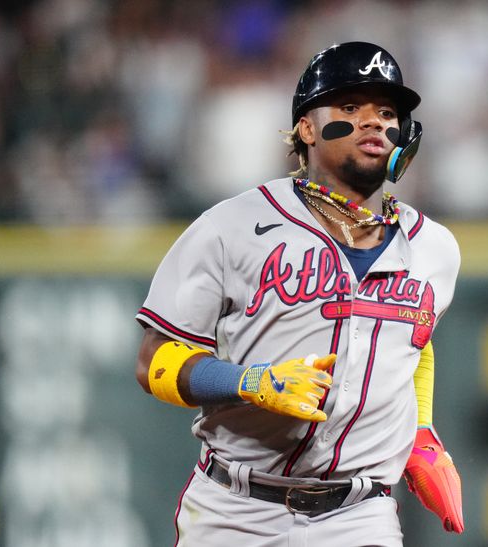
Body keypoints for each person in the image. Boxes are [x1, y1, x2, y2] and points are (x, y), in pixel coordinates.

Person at [134, 41, 463, 546]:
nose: (373, 122)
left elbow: (414, 343)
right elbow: (155, 360)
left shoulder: (435, 248)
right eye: (350, 108)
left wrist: (421, 435)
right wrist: (247, 381)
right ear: (307, 128)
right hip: (236, 509)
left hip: (358, 516)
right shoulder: (233, 225)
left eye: (387, 112)